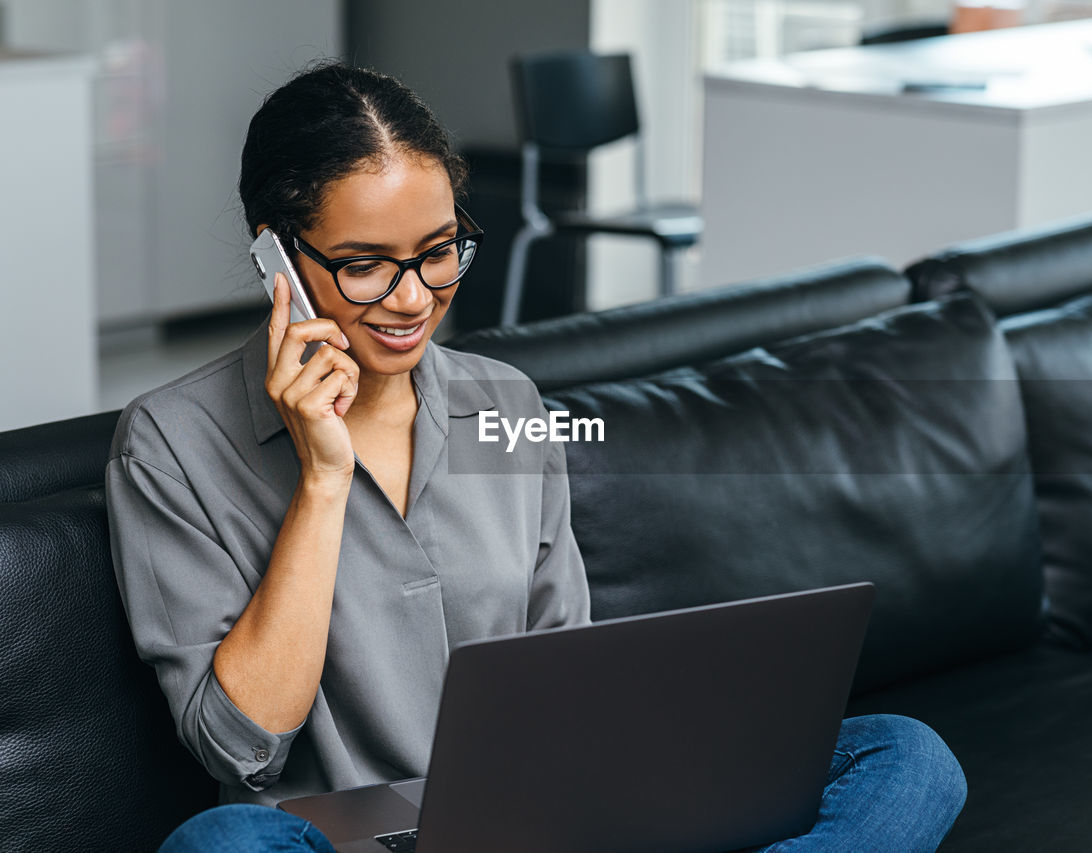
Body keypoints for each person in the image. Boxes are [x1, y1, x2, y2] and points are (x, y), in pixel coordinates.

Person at [106, 61, 967, 853]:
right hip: (352, 840)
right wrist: (323, 479)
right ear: (277, 257)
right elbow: (241, 743)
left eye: (439, 252)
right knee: (219, 844)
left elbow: (571, 677)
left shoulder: (505, 407)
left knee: (905, 753)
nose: (414, 299)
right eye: (366, 266)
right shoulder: (172, 443)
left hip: (543, 825)